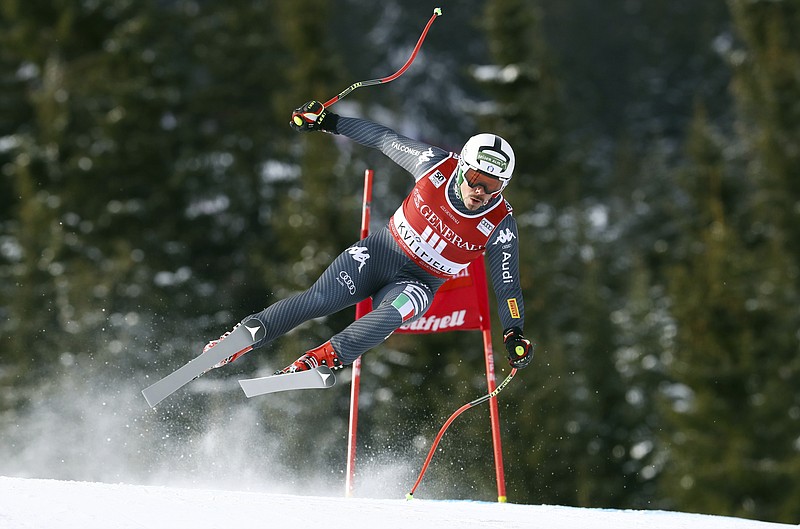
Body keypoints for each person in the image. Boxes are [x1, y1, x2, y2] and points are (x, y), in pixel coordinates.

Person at [203, 100, 534, 375]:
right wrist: (328, 121)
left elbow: (507, 286)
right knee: (320, 299)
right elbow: (384, 139)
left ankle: (324, 359)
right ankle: (241, 339)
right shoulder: (434, 165)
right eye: (476, 178)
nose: (480, 191)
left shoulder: (500, 224)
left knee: (394, 313)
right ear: (462, 167)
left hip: (418, 284)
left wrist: (513, 332)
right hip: (380, 253)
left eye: (492, 186)